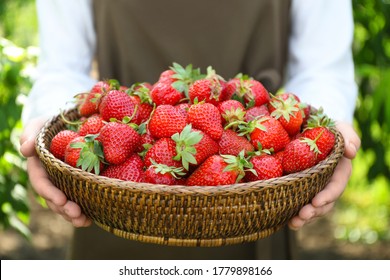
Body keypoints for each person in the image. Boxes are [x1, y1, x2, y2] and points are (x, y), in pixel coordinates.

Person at [20, 0, 361, 259]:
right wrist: (50, 128)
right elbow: (62, 66)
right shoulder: (120, 144)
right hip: (113, 194)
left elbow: (322, 68)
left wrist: (325, 134)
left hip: (257, 195)